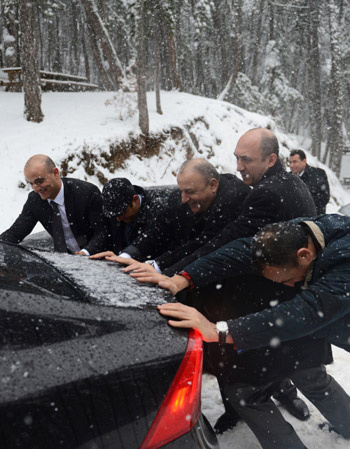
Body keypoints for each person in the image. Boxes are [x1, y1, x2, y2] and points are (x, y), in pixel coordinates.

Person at [118, 130, 318, 429]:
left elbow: (226, 243)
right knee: (263, 356)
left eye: (245, 159)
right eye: (236, 158)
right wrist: (154, 263)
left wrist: (177, 275)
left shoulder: (249, 196)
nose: (238, 166)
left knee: (253, 356)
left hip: (258, 288)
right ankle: (265, 396)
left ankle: (272, 396)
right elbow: (176, 238)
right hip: (251, 286)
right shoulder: (274, 183)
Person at [155, 216, 350, 447]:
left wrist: (217, 331)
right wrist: (182, 279)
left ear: (304, 255)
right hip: (324, 326)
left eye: (287, 279)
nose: (288, 286)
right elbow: (241, 249)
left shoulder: (344, 261)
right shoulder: (301, 232)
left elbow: (306, 311)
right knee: (311, 376)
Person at [92, 158, 250, 272]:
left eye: (189, 192)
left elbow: (204, 244)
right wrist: (127, 255)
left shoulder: (233, 200)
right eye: (181, 190)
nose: (183, 199)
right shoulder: (181, 197)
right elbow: (159, 230)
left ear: (213, 185)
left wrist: (157, 267)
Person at [0, 154, 107, 255]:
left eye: (39, 181)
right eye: (31, 183)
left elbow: (102, 232)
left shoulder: (86, 192)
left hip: (100, 259)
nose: (36, 189)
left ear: (56, 173)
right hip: (65, 264)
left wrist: (85, 253)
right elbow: (15, 233)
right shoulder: (35, 200)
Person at [98, 177, 172, 255]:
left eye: (122, 213)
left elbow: (154, 244)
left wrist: (127, 255)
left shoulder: (159, 211)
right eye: (114, 215)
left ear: (135, 200)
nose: (118, 219)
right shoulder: (114, 209)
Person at [289, 149, 330, 214]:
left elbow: (324, 198)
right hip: (293, 220)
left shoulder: (318, 174)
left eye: (295, 162)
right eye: (290, 162)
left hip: (314, 219)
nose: (291, 165)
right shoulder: (287, 177)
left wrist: (302, 202)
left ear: (304, 161)